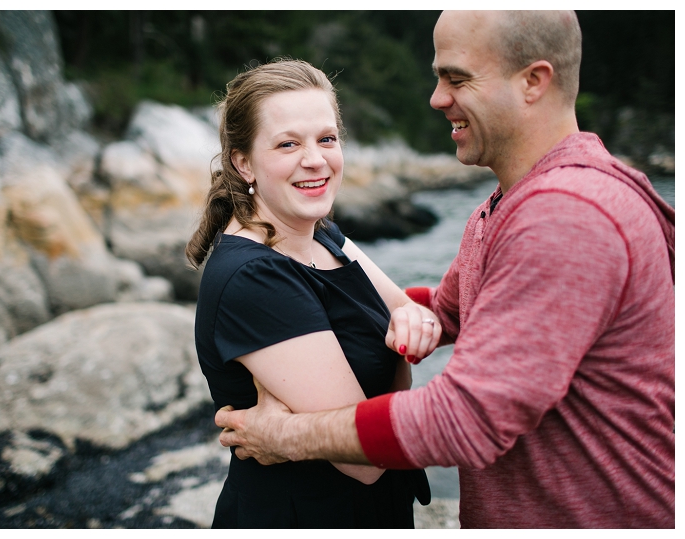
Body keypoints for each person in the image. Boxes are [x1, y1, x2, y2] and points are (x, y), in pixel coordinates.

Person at [215, 11, 675, 528]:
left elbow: (465, 419)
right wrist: (397, 315)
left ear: (533, 82)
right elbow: (452, 306)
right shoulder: (512, 201)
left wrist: (286, 435)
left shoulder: (566, 215)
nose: (436, 98)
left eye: (456, 79)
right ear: (243, 162)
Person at [186, 58, 440, 528]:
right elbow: (364, 460)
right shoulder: (255, 278)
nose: (315, 159)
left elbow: (413, 314)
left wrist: (407, 329)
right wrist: (403, 342)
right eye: (288, 144)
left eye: (327, 138)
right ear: (243, 163)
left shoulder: (324, 235)